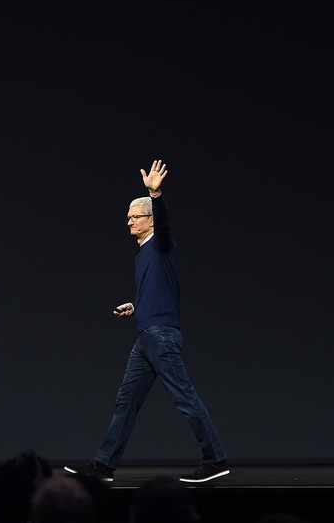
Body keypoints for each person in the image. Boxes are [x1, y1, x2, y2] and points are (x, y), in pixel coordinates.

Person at [65, 160, 229, 483]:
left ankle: (215, 459)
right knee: (126, 400)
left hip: (161, 335)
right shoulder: (143, 254)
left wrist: (156, 194)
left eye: (134, 217)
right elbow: (160, 291)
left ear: (150, 220)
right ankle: (104, 465)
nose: (128, 222)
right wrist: (136, 305)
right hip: (146, 336)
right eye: (127, 217)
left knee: (184, 396)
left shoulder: (161, 243)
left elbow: (165, 225)